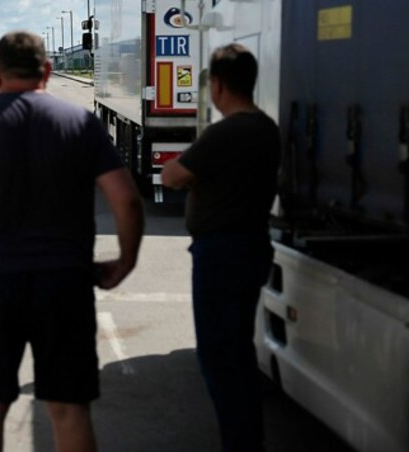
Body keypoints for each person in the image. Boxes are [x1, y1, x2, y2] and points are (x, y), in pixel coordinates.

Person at [0, 31, 144, 452]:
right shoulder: (80, 124)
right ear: (48, 71)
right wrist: (125, 260)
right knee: (68, 408)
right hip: (65, 283)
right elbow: (126, 199)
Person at [161, 44, 280, 452]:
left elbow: (172, 175)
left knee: (217, 358)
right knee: (239, 350)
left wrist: (195, 178)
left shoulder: (225, 132)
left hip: (221, 253)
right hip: (252, 245)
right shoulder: (266, 128)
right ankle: (249, 439)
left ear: (219, 84)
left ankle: (240, 443)